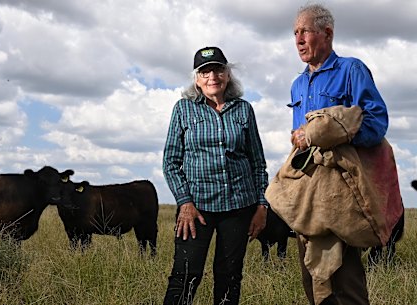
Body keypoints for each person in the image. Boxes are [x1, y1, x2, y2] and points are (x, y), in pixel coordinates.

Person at [289, 4, 389, 305]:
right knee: (312, 275)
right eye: (295, 33)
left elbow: (376, 122)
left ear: (327, 33)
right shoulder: (297, 84)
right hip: (307, 191)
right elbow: (301, 136)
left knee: (344, 279)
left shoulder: (351, 70)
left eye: (304, 31)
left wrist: (330, 135)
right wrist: (299, 136)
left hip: (340, 191)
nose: (298, 39)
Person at [162, 46, 269, 305]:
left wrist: (262, 205)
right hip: (196, 209)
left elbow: (257, 163)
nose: (212, 76)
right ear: (197, 79)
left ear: (227, 74)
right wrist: (184, 202)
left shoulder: (243, 109)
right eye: (205, 71)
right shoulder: (184, 109)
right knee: (185, 275)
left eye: (218, 69)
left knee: (230, 276)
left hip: (239, 207)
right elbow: (170, 162)